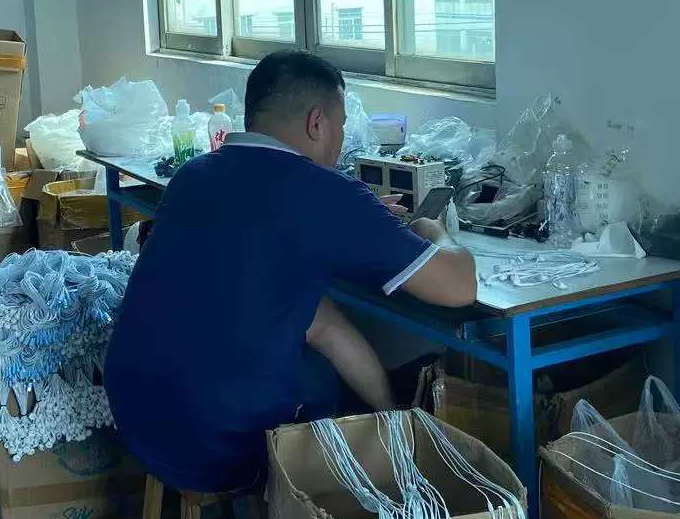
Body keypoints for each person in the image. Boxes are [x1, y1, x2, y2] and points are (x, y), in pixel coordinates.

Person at [104, 50, 477, 493]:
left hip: (138, 417)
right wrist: (434, 230)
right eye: (340, 126)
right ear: (317, 122)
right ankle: (323, 502)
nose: (341, 140)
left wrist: (355, 217)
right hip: (219, 447)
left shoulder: (194, 174)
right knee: (322, 379)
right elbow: (460, 287)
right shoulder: (327, 195)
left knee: (308, 313)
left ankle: (392, 415)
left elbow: (290, 278)